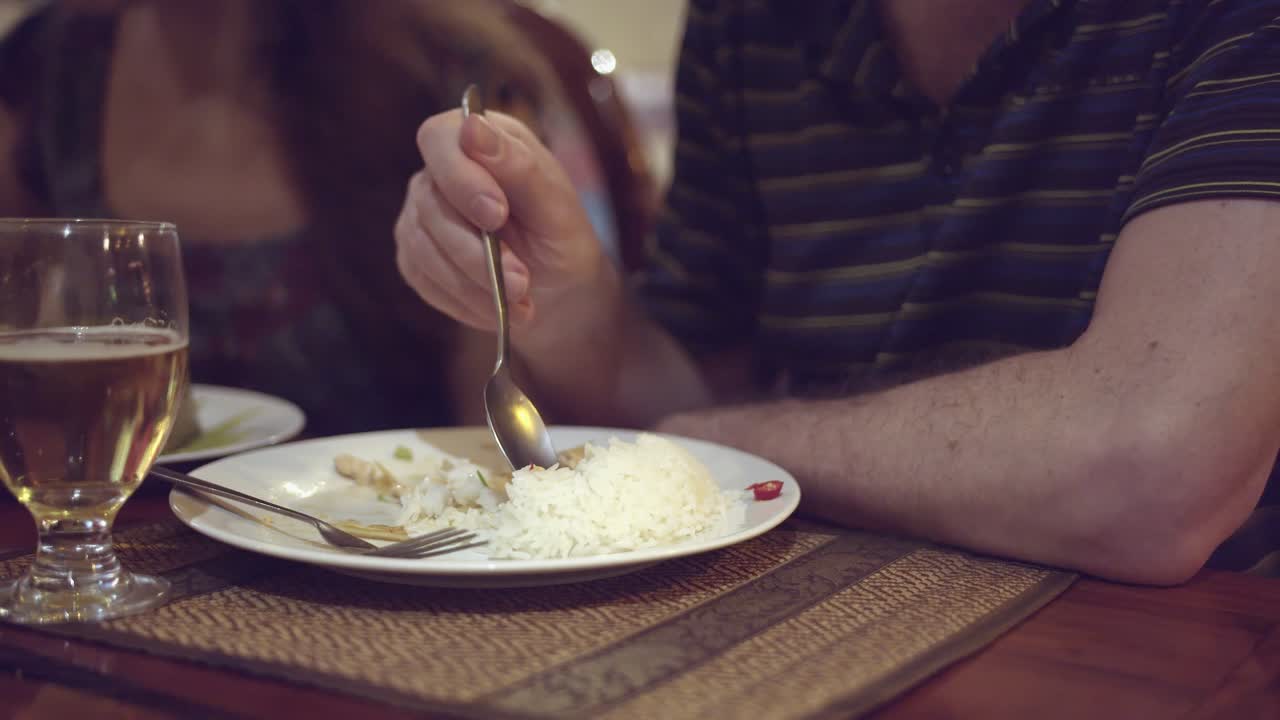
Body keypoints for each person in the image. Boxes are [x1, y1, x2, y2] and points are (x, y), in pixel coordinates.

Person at [395, 0, 1280, 585]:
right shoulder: (752, 20)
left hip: (1181, 661)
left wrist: (714, 443)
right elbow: (690, 390)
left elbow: (1156, 472)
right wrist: (573, 303)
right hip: (788, 641)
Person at [0, 0, 551, 435]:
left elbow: (500, 417)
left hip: (377, 540)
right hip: (108, 542)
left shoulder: (439, 67)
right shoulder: (40, 67)